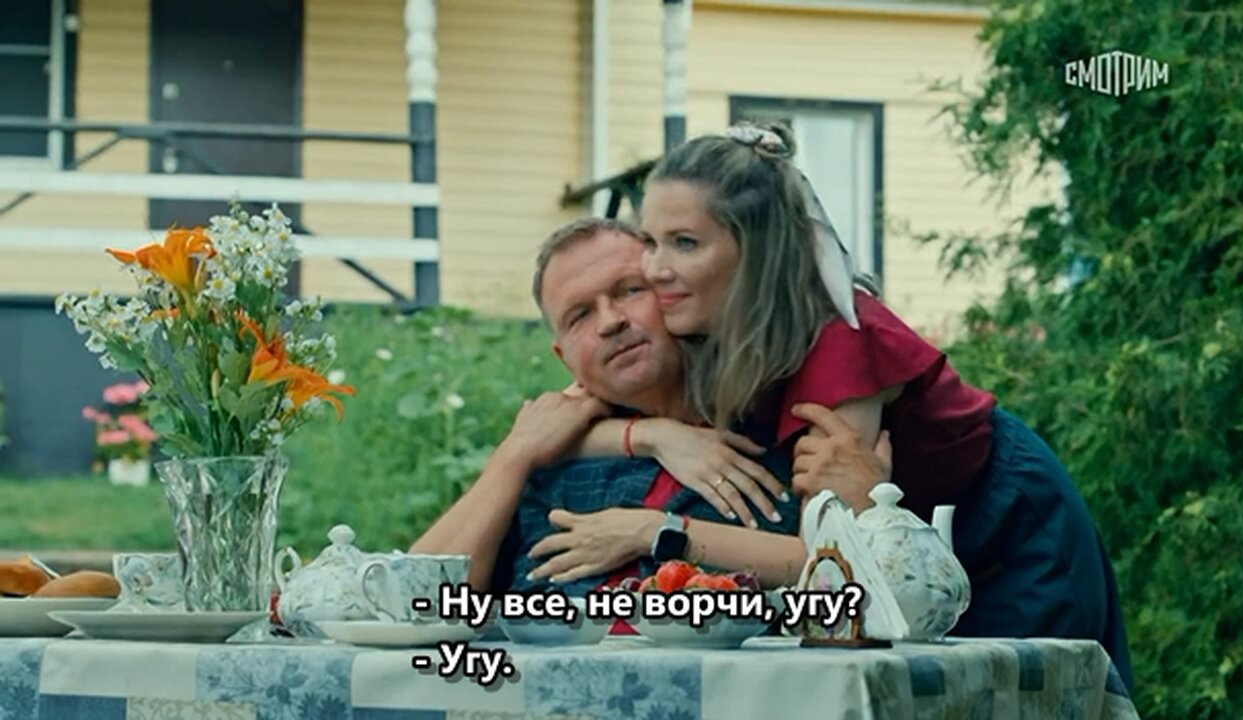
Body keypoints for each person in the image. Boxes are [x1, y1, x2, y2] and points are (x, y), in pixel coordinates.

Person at [605, 121, 1133, 689]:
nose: (655, 269)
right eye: (650, 242)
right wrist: (653, 436)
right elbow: (572, 413)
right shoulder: (702, 320)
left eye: (685, 243)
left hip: (1000, 535)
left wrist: (658, 531)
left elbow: (826, 551)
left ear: (757, 251)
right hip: (909, 561)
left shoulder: (840, 341)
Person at [409, 219, 813, 596]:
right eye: (580, 315)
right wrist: (514, 455)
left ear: (675, 294)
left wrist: (654, 532)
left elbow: (837, 574)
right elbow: (418, 596)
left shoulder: (782, 422)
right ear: (565, 359)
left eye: (629, 290)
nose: (610, 321)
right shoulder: (550, 467)